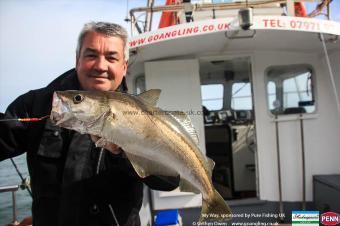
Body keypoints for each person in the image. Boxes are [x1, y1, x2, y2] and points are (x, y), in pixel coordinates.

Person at [0, 22, 179, 226]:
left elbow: (169, 180)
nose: (101, 66)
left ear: (124, 66)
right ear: (78, 59)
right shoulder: (38, 104)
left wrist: (127, 152)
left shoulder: (144, 117)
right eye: (91, 55)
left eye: (111, 57)